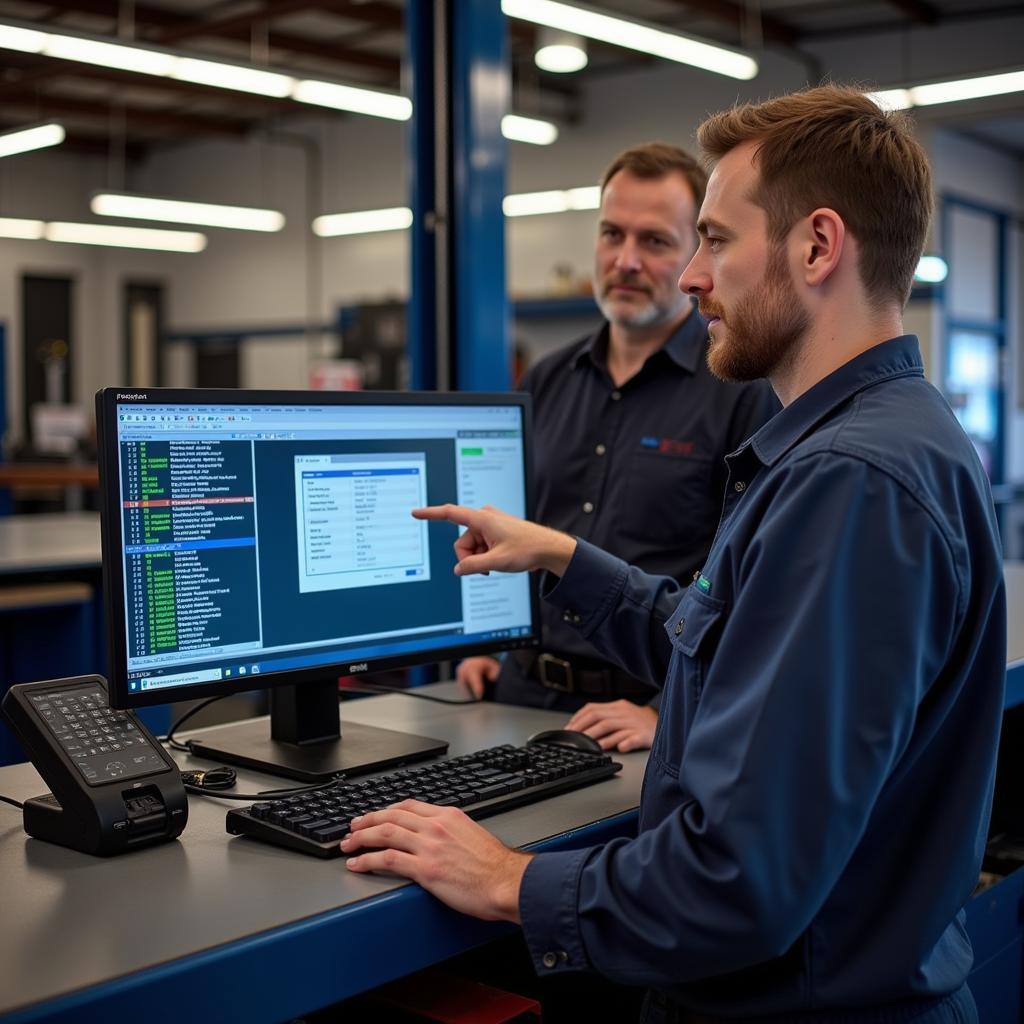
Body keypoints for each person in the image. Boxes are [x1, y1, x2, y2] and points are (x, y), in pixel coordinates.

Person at [342, 86, 1006, 1022]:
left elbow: (738, 882)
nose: (691, 277)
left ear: (818, 247)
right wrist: (569, 558)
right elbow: (739, 650)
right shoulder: (887, 433)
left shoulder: (849, 482)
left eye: (715, 241)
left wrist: (508, 881)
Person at [458, 142, 775, 753]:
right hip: (521, 695)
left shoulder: (740, 391)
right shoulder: (548, 378)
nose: (625, 260)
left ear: (696, 253)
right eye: (611, 234)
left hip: (641, 712)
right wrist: (490, 642)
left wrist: (666, 715)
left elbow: (743, 584)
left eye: (654, 241)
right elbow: (514, 528)